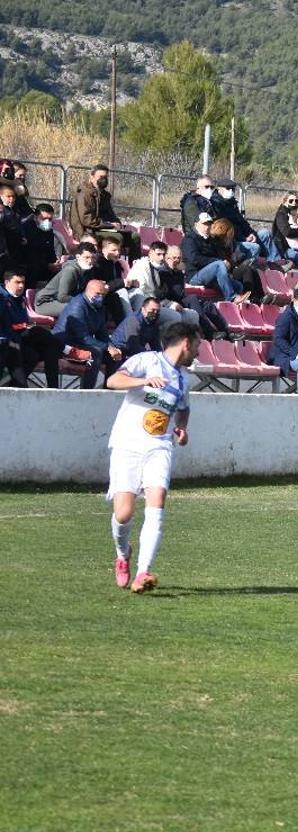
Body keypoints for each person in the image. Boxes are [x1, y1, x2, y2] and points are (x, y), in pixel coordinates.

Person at [105, 321, 200, 593]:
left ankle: (143, 572)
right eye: (197, 345)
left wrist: (181, 428)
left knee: (156, 502)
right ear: (185, 342)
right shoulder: (146, 360)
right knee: (123, 514)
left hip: (159, 446)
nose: (198, 351)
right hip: (127, 443)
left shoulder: (183, 378)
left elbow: (183, 409)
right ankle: (123, 555)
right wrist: (143, 380)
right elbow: (113, 381)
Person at [51, 279, 118, 389]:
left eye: (103, 294)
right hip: (65, 345)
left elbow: (102, 334)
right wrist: (106, 347)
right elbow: (83, 338)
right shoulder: (77, 306)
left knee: (112, 355)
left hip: (81, 343)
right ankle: (87, 391)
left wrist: (112, 348)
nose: (100, 297)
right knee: (95, 353)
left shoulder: (100, 307)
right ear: (88, 291)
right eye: (98, 294)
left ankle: (108, 390)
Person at [0, 270, 59, 387]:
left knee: (41, 350)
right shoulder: (2, 298)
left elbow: (22, 322)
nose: (21, 285)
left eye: (23, 282)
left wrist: (27, 326)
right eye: (17, 282)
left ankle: (54, 388)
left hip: (16, 338)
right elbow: (8, 325)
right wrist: (25, 326)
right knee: (41, 335)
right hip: (6, 341)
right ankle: (66, 349)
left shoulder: (20, 299)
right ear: (7, 282)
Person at [69, 164, 140, 256]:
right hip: (88, 231)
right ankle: (109, 266)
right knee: (117, 238)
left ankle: (134, 266)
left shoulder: (105, 195)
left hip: (104, 229)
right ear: (92, 177)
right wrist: (109, 225)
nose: (104, 179)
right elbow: (87, 220)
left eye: (106, 177)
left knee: (135, 237)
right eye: (101, 177)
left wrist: (117, 223)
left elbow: (111, 215)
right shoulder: (85, 194)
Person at [183, 213, 248, 303]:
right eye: (204, 224)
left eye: (209, 224)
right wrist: (218, 262)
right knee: (218, 264)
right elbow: (194, 259)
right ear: (196, 224)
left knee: (238, 286)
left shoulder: (211, 241)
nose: (207, 227)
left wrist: (226, 263)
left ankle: (237, 307)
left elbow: (218, 256)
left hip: (211, 276)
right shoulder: (189, 239)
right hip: (194, 275)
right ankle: (231, 298)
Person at [34, 242, 96, 318]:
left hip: (60, 301)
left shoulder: (87, 270)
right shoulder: (70, 270)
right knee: (79, 309)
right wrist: (84, 300)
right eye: (86, 257)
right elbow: (62, 297)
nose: (90, 261)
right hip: (45, 303)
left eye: (92, 258)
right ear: (78, 257)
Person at [211, 179, 259, 258]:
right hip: (232, 240)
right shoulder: (216, 204)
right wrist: (244, 238)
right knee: (254, 247)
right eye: (228, 189)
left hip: (244, 237)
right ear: (219, 188)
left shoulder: (232, 203)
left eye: (233, 189)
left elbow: (242, 222)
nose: (231, 191)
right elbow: (226, 228)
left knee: (265, 234)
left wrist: (251, 233)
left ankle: (274, 262)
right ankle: (248, 267)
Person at [19, 202, 61, 287]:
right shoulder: (27, 229)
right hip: (29, 265)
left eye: (50, 219)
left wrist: (55, 262)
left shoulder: (48, 231)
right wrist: (47, 265)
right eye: (44, 218)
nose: (47, 221)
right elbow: (30, 253)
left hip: (44, 265)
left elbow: (50, 249)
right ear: (35, 217)